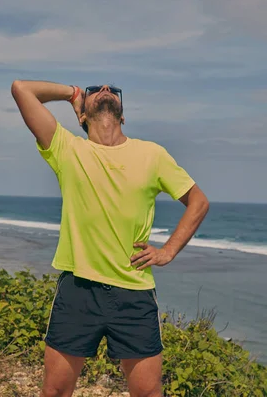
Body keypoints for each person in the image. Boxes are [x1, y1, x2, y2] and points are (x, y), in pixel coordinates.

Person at [11, 80, 210, 397]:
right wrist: (73, 93)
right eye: (95, 90)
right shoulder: (67, 148)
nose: (105, 88)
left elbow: (198, 202)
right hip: (78, 289)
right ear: (82, 115)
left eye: (113, 90)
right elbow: (21, 89)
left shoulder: (152, 154)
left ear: (123, 116)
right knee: (55, 391)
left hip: (133, 293)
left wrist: (169, 251)